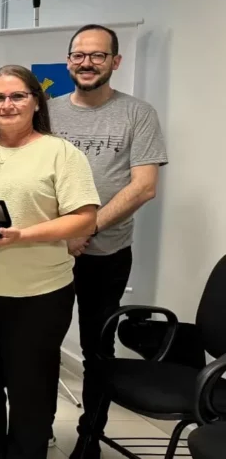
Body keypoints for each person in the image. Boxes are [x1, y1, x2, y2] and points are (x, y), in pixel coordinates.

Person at [0, 65, 100, 459]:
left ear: (35, 101)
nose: (7, 105)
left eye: (17, 96)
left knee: (31, 393)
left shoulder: (61, 153)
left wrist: (23, 235)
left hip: (38, 296)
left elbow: (85, 217)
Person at [48, 25, 167, 459]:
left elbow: (143, 186)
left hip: (108, 254)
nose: (86, 63)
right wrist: (61, 234)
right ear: (68, 61)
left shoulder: (138, 114)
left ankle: (89, 437)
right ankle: (37, 427)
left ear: (115, 62)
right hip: (51, 253)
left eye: (98, 56)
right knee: (40, 342)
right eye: (79, 55)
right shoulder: (48, 111)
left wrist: (85, 229)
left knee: (98, 349)